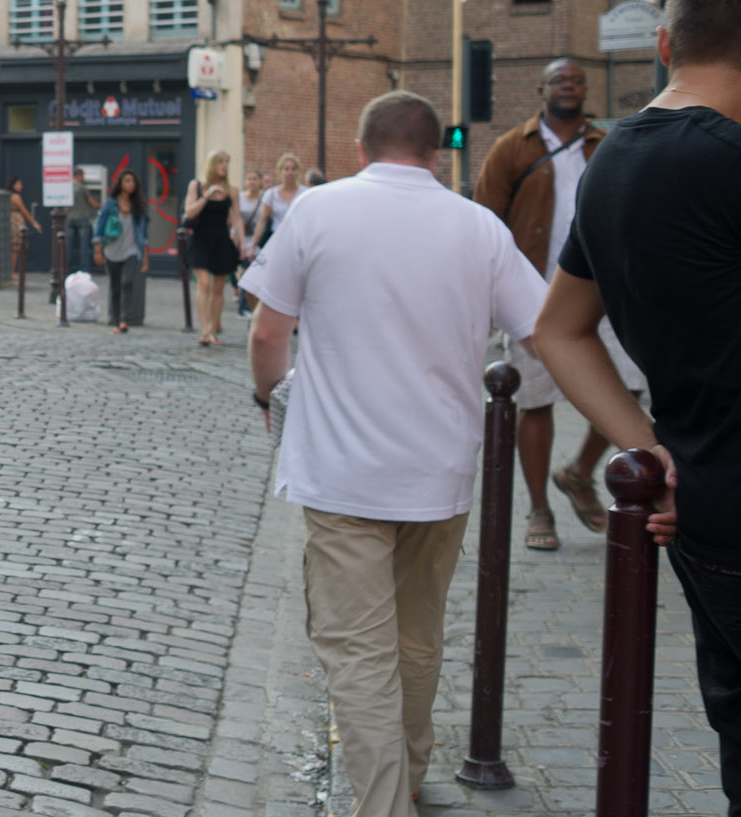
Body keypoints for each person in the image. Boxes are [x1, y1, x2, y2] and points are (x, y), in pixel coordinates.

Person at [242, 90, 547, 817]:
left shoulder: (318, 210)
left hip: (343, 475)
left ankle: (384, 806)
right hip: (441, 473)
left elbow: (265, 333)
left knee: (358, 649)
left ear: (359, 149)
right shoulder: (479, 228)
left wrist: (267, 397)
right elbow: (545, 327)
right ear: (435, 153)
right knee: (416, 636)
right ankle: (406, 774)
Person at [535, 0, 737, 804]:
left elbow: (559, 329)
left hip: (700, 506)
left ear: (662, 46)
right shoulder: (728, 158)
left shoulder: (612, 157)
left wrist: (647, 446)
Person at [473, 57, 646, 552]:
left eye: (577, 80)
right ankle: (539, 510)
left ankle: (578, 471)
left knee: (628, 388)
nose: (569, 86)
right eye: (559, 80)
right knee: (535, 400)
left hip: (606, 290)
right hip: (535, 295)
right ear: (541, 88)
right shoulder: (512, 148)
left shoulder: (608, 144)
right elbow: (485, 222)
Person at [182, 150, 243, 346]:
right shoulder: (197, 185)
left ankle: (214, 328)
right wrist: (206, 196)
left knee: (218, 287)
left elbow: (236, 218)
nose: (224, 165)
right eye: (220, 162)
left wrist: (242, 243)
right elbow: (189, 212)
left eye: (227, 161)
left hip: (221, 241)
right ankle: (205, 329)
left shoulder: (232, 190)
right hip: (201, 240)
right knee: (204, 284)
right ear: (211, 164)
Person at [92, 169, 148, 336]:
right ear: (120, 183)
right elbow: (99, 226)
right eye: (127, 181)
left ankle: (125, 319)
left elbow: (143, 233)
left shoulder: (138, 205)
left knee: (127, 282)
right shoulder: (110, 204)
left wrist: (145, 256)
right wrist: (97, 249)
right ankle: (116, 322)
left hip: (132, 250)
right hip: (112, 250)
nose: (131, 184)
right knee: (115, 286)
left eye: (133, 181)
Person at [249, 152, 303, 260]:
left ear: (298, 171)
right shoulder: (271, 194)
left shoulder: (305, 193)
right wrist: (253, 246)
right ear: (280, 171)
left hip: (299, 240)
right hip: (277, 239)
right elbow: (262, 221)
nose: (290, 173)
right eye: (286, 169)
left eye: (293, 169)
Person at [235, 168, 266, 317]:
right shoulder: (240, 198)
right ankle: (245, 307)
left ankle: (249, 307)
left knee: (250, 274)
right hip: (242, 241)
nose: (252, 182)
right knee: (246, 273)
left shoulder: (265, 198)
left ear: (260, 181)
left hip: (259, 243)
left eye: (254, 179)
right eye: (249, 179)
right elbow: (235, 220)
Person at [5, 176, 43, 289]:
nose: (21, 186)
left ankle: (10, 271)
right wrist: (34, 223)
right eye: (19, 184)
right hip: (16, 223)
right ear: (14, 185)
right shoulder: (16, 196)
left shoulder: (7, 196)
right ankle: (11, 272)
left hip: (9, 222)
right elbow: (24, 211)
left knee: (12, 248)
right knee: (15, 248)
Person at [67, 166, 100, 275]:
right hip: (82, 219)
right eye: (83, 176)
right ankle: (85, 271)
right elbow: (93, 204)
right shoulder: (82, 188)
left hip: (69, 219)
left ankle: (68, 270)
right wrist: (102, 204)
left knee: (68, 246)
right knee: (84, 246)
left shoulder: (67, 187)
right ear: (79, 175)